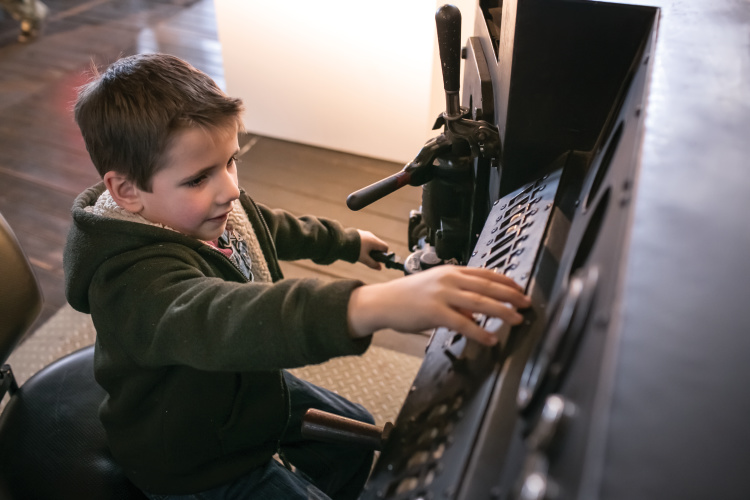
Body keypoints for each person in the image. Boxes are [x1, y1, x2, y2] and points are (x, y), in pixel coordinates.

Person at [63, 53, 531, 500]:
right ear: (127, 191)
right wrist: (370, 305)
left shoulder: (205, 211)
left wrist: (345, 242)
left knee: (351, 443)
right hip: (195, 456)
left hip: (243, 389)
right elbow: (226, 319)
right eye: (198, 178)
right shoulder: (128, 280)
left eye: (231, 161)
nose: (231, 189)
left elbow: (267, 225)